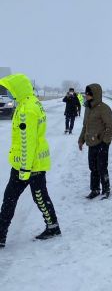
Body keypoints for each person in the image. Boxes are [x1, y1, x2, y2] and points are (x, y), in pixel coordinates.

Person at [0, 74, 61, 248]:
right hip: (34, 164)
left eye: (11, 90)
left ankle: (1, 235)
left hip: (26, 165)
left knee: (10, 199)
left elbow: (28, 142)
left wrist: (25, 169)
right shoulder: (33, 103)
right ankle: (53, 226)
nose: (10, 93)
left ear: (18, 89)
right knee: (39, 196)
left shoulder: (27, 110)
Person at [78, 84, 112, 200]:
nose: (86, 96)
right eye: (86, 94)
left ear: (95, 94)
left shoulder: (104, 109)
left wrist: (105, 141)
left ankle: (106, 189)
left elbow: (111, 127)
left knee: (102, 167)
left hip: (101, 143)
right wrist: (81, 140)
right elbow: (85, 126)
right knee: (93, 167)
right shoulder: (88, 108)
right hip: (91, 142)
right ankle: (95, 189)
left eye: (88, 94)